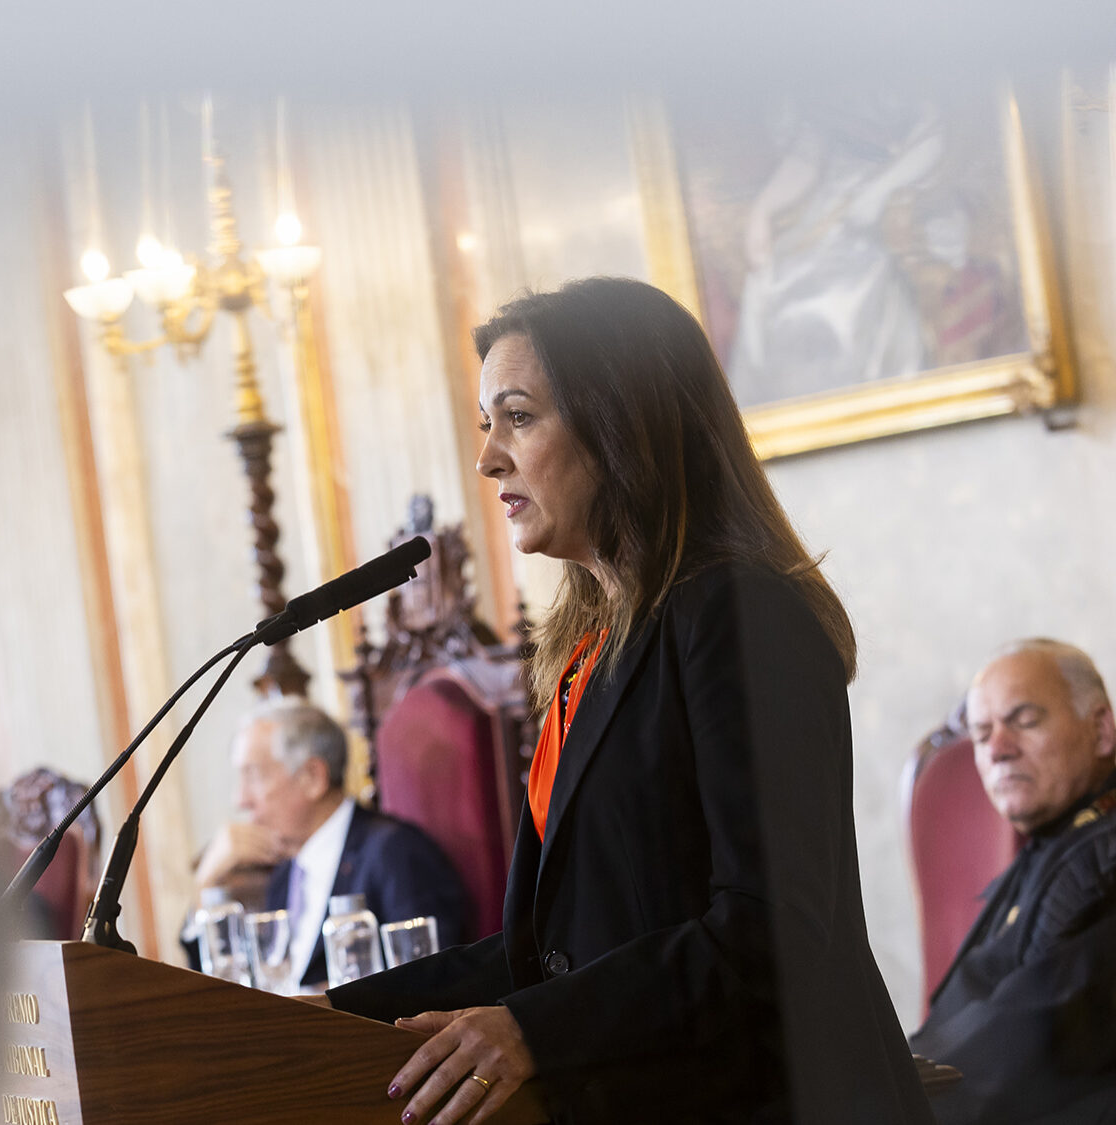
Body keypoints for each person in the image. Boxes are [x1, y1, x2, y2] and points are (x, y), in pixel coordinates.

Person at [327, 277, 930, 1124]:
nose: (489, 457)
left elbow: (771, 930)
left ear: (624, 424)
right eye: (487, 424)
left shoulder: (740, 612)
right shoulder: (591, 650)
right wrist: (321, 1015)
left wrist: (534, 1029)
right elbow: (550, 952)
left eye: (519, 417)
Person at [910, 639, 1116, 1125]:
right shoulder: (1061, 839)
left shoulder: (1102, 860)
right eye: (981, 735)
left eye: (1024, 720)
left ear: (1101, 730)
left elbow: (1017, 1056)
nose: (998, 749)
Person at [190, 699, 468, 988]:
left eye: (254, 776)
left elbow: (430, 982)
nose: (240, 800)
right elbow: (219, 990)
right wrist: (205, 881)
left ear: (313, 777)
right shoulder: (285, 872)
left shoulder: (395, 852)